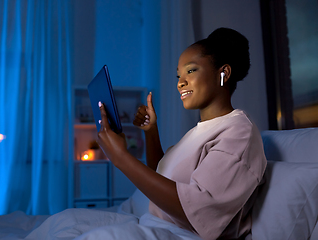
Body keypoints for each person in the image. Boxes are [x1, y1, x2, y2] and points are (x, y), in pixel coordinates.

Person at [96, 27, 267, 240]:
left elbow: (197, 210)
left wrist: (121, 158)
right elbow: (162, 179)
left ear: (224, 73)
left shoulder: (239, 132)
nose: (180, 82)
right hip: (155, 224)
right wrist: (151, 132)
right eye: (179, 75)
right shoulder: (200, 131)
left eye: (191, 70)